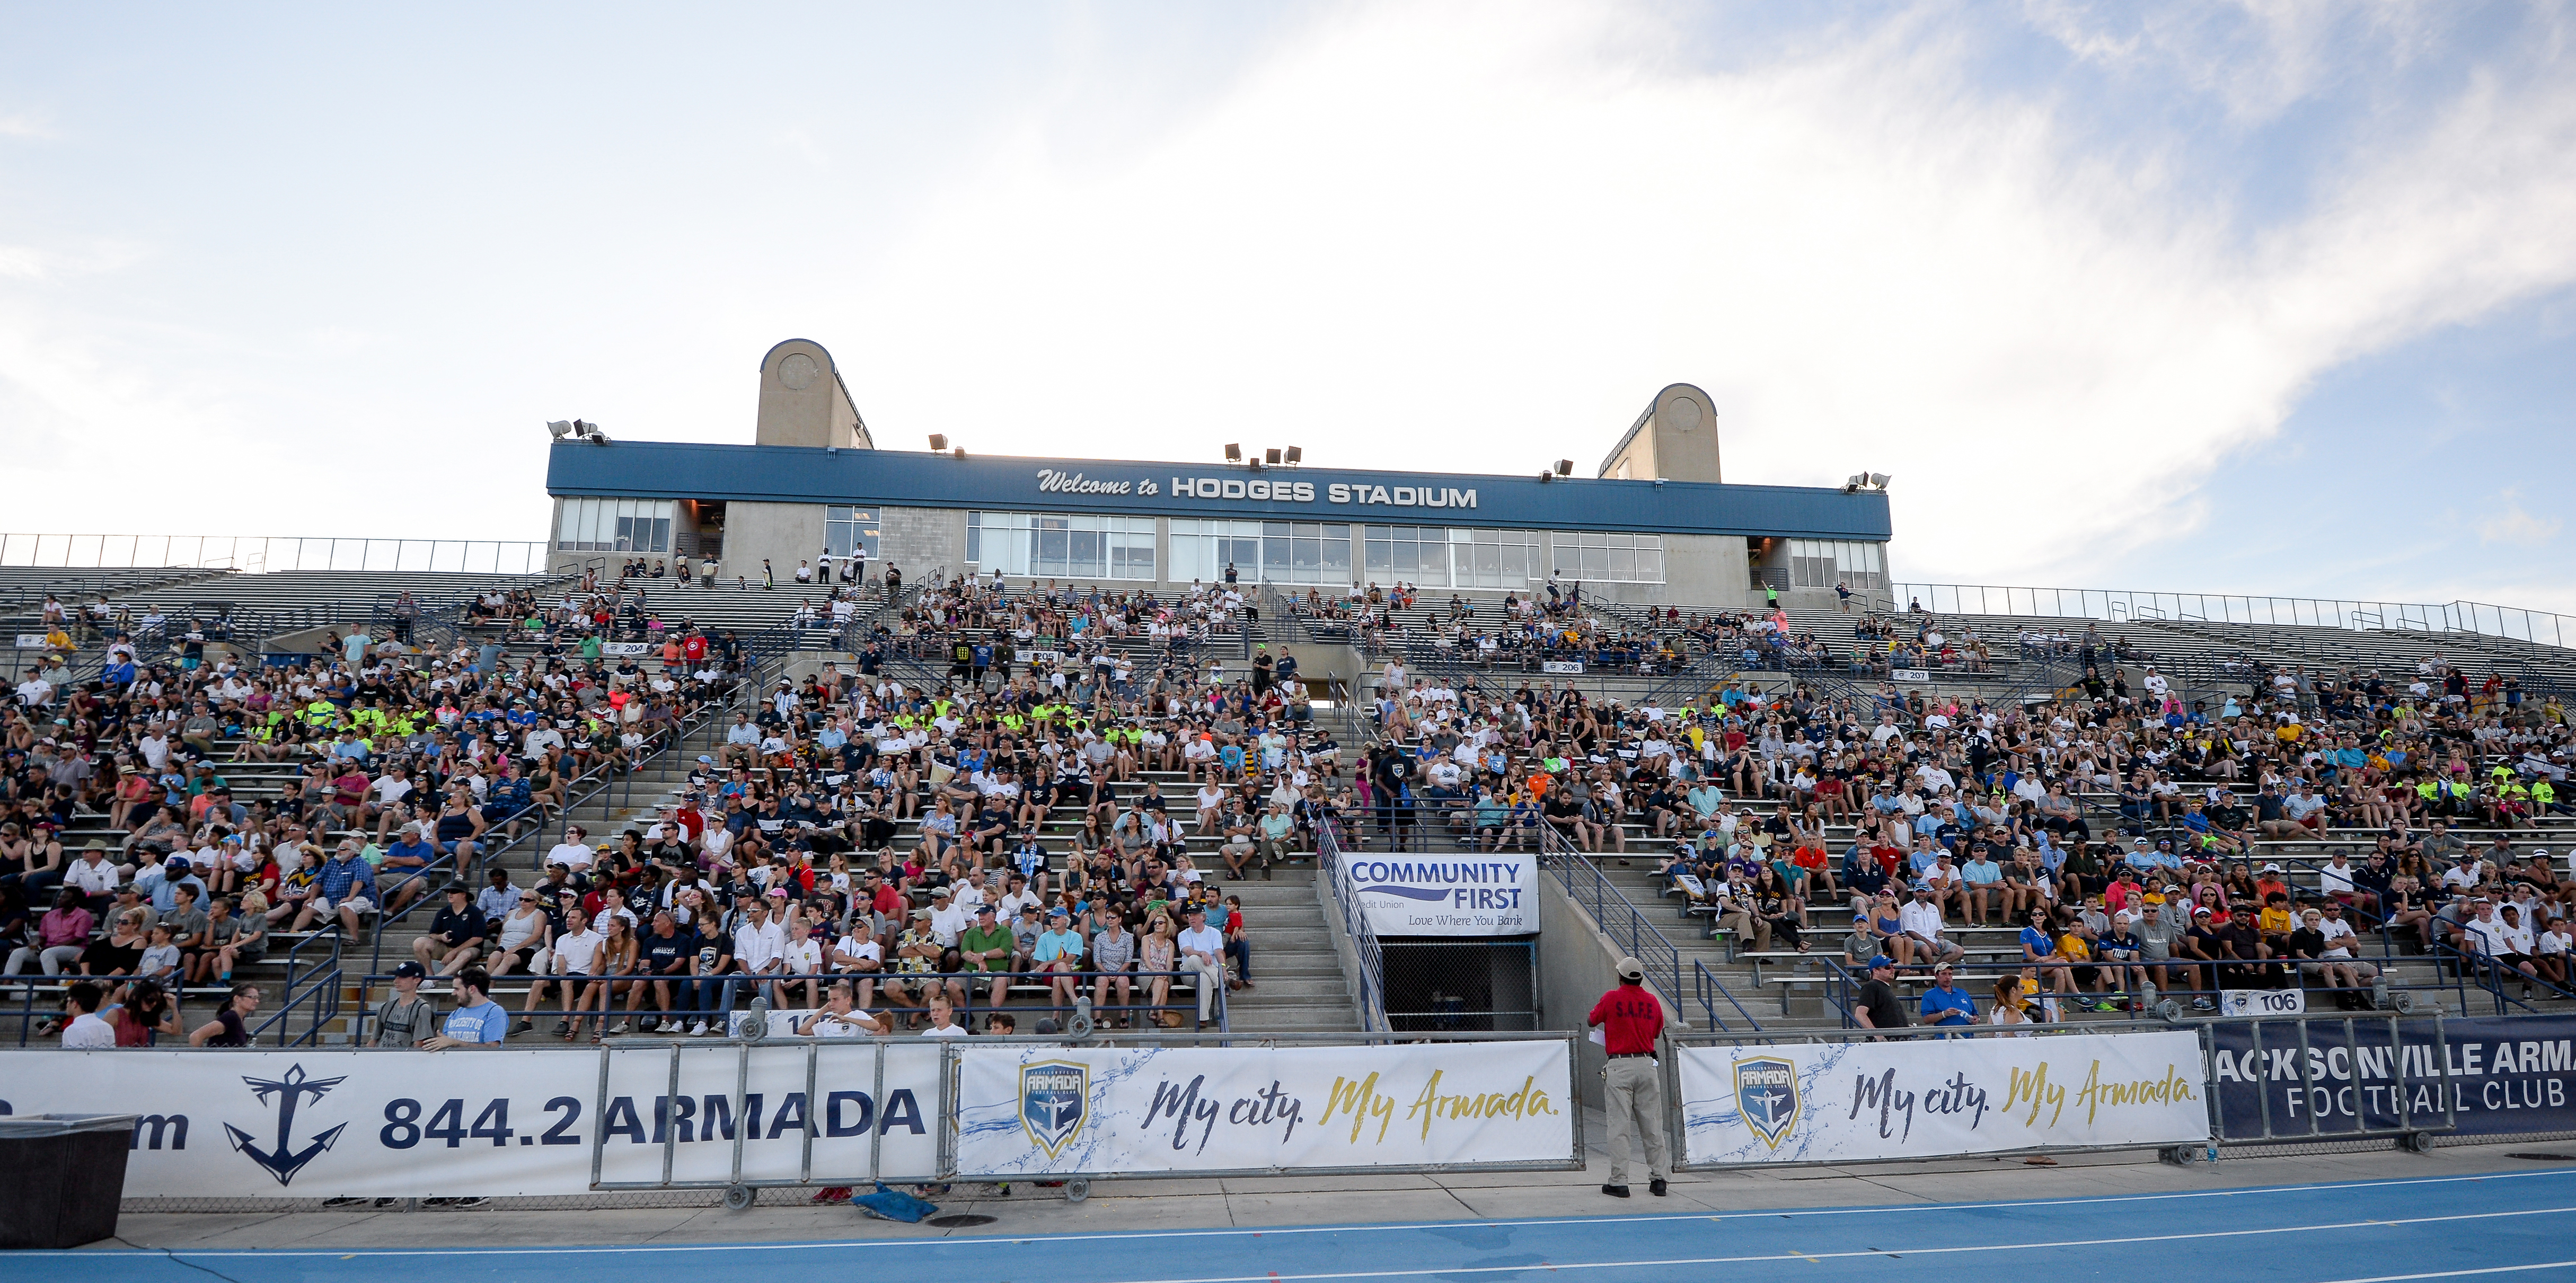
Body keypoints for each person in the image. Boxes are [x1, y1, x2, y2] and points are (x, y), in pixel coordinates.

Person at [1585, 955, 1669, 1199]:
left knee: (1619, 1126)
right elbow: (1656, 1032)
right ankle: (1659, 1179)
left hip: (1619, 1066)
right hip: (1646, 1064)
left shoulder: (1612, 997)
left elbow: (1593, 1019)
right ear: (1641, 978)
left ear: (1620, 977)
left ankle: (1619, 1181)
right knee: (1653, 1125)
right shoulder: (1652, 1001)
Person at [421, 969, 509, 1049]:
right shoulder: (455, 1014)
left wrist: (454, 1043)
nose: (453, 994)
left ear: (472, 989)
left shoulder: (495, 1012)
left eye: (457, 989)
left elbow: (493, 1048)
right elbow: (446, 1043)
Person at [1175, 905, 1227, 1025]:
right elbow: (1188, 951)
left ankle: (1202, 1019)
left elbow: (1219, 952)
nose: (1191, 918)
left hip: (1207, 973)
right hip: (1189, 972)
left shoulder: (1214, 933)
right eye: (1190, 915)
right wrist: (1202, 953)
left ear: (1203, 917)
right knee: (1193, 958)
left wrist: (1223, 967)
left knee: (1204, 977)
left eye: (1195, 915)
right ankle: (1224, 983)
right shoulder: (1183, 934)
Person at [373, 961, 437, 1048]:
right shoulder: (386, 1007)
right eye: (396, 977)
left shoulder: (422, 1009)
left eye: (402, 977)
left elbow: (419, 1044)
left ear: (417, 980)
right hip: (382, 1057)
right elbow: (374, 1039)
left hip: (405, 1059)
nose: (396, 981)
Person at [1851, 954, 1910, 1036]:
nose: (1892, 970)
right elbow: (1860, 1014)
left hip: (1896, 1041)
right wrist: (1877, 1035)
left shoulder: (1885, 987)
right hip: (1886, 1044)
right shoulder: (1871, 986)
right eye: (1887, 967)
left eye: (1893, 966)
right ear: (1876, 971)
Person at [188, 983, 260, 1047]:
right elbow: (196, 1036)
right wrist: (201, 1059)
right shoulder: (230, 1017)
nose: (257, 1001)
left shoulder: (238, 1019)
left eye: (257, 998)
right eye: (252, 998)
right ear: (237, 999)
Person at [1918, 963, 1975, 1033]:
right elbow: (1926, 1019)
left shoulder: (1963, 993)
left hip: (1968, 1038)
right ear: (1936, 976)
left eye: (1950, 974)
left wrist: (1976, 1018)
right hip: (1945, 1039)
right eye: (1944, 974)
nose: (1948, 977)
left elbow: (1975, 1013)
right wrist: (1944, 1014)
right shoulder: (1929, 995)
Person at [59, 979, 115, 1049]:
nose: (67, 1004)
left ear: (75, 1004)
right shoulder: (107, 1027)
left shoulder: (73, 1030)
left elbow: (74, 1058)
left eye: (68, 1001)